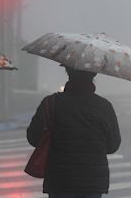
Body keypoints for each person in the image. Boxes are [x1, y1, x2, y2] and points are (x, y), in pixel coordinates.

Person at [26, 65, 121, 198]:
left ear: (68, 72)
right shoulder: (104, 106)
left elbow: (33, 137)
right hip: (92, 182)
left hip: (60, 180)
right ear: (94, 75)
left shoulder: (51, 102)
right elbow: (113, 146)